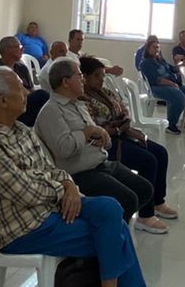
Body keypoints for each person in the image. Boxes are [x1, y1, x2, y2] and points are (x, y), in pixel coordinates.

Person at [0, 68, 167, 287]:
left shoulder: (21, 131)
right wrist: (64, 189)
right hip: (25, 229)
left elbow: (53, 170)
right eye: (20, 89)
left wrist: (69, 186)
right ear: (2, 101)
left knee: (110, 209)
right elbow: (28, 193)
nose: (26, 92)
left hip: (50, 212)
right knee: (114, 231)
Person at [34, 57, 163, 232]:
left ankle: (109, 227)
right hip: (79, 173)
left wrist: (101, 135)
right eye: (79, 76)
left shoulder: (78, 104)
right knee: (128, 199)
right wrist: (86, 134)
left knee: (145, 189)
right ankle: (107, 236)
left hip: (101, 162)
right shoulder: (52, 111)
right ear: (65, 82)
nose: (83, 80)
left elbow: (103, 138)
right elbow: (64, 149)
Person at [82, 57, 178, 222]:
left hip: (123, 133)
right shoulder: (82, 99)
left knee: (160, 153)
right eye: (97, 76)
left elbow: (123, 108)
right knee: (148, 161)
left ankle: (157, 202)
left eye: (103, 76)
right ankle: (145, 216)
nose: (102, 80)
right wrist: (117, 127)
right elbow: (93, 128)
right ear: (85, 76)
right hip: (106, 143)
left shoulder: (106, 92)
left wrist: (123, 121)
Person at [138, 35, 185, 134]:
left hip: (170, 84)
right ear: (148, 49)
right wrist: (171, 83)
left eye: (158, 47)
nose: (157, 49)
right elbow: (155, 79)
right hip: (156, 88)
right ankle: (171, 125)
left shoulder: (160, 60)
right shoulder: (145, 63)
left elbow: (172, 69)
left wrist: (182, 64)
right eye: (154, 47)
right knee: (179, 96)